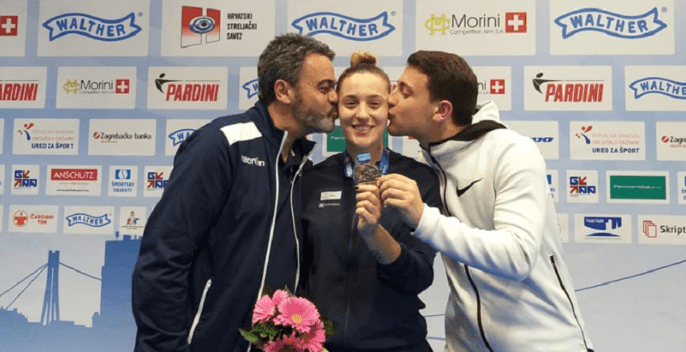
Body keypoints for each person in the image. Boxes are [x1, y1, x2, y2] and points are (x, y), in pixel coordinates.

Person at [132, 33, 338, 352]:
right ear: (283, 91)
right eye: (324, 88)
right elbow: (163, 257)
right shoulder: (221, 145)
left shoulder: (301, 168)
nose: (335, 98)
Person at [381, 50, 595, 352]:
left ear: (441, 110)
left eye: (405, 92)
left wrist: (424, 219)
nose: (390, 99)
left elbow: (517, 256)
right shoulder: (427, 164)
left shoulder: (512, 151)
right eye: (395, 87)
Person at [300, 52, 442, 352]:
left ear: (388, 110)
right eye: (351, 103)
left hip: (398, 346)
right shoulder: (311, 180)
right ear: (337, 110)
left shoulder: (419, 181)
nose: (362, 114)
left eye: (374, 104)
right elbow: (295, 274)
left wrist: (374, 233)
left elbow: (418, 277)